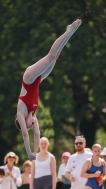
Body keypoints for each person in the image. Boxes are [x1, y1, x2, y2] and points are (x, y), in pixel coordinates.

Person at [15, 19, 82, 160]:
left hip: (29, 78)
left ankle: (68, 31)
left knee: (50, 56)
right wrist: (35, 152)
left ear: (22, 122)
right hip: (38, 80)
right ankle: (70, 33)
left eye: (27, 126)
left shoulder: (21, 112)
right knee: (55, 57)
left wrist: (28, 153)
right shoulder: (33, 115)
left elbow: (26, 135)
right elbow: (37, 134)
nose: (30, 125)